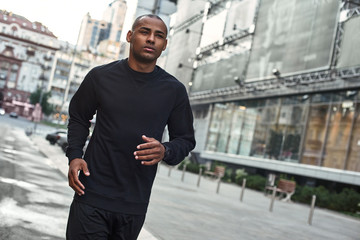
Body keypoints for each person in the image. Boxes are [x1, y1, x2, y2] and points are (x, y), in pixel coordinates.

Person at [65, 14, 196, 239]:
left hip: (134, 203)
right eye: (145, 32)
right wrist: (75, 155)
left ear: (164, 45)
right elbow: (78, 117)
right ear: (129, 36)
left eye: (159, 36)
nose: (151, 39)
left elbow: (185, 139)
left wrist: (165, 150)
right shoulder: (100, 77)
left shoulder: (174, 90)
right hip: (91, 194)